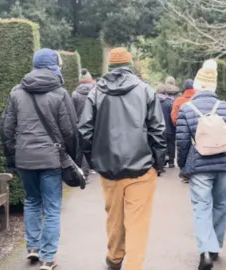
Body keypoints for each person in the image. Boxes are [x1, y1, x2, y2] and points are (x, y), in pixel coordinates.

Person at [78, 47, 166, 270]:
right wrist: (158, 163)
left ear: (110, 68)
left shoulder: (96, 93)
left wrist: (95, 159)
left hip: (109, 168)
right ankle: (133, 266)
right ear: (129, 65)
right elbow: (158, 130)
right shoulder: (146, 91)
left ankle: (115, 257)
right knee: (138, 223)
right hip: (142, 168)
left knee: (114, 217)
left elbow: (84, 131)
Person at [0, 48, 79, 270]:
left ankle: (33, 248)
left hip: (25, 158)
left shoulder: (16, 91)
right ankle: (48, 257)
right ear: (54, 66)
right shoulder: (60, 92)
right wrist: (70, 157)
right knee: (52, 208)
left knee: (32, 200)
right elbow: (70, 131)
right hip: (51, 158)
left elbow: (6, 128)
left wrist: (12, 155)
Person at [176, 61, 226, 270]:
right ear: (214, 86)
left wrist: (183, 166)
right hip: (224, 166)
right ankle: (215, 248)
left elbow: (183, 142)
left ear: (197, 85)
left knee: (201, 207)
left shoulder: (187, 108)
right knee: (221, 206)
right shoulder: (225, 108)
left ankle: (205, 251)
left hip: (200, 166)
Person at [72, 68, 95, 179]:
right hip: (92, 124)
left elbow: (72, 110)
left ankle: (79, 169)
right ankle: (86, 171)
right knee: (90, 145)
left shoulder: (75, 94)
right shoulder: (95, 92)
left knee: (80, 147)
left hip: (78, 123)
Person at [157, 80, 176, 169]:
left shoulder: (154, 102)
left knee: (160, 145)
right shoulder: (169, 103)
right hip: (169, 128)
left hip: (158, 129)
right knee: (171, 144)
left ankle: (162, 162)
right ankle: (171, 162)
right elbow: (172, 116)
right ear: (165, 92)